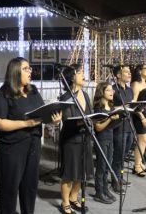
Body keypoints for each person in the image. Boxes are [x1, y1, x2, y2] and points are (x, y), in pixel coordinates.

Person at [0, 57, 61, 214]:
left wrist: (53, 121)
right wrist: (25, 124)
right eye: (26, 69)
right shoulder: (4, 93)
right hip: (11, 148)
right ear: (15, 72)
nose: (30, 71)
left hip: (33, 145)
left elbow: (43, 114)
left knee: (29, 187)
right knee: (9, 189)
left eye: (30, 68)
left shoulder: (33, 90)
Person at [59, 63, 94, 214]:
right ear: (72, 78)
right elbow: (66, 119)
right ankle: (65, 201)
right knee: (69, 173)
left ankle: (74, 197)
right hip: (71, 139)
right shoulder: (66, 97)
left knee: (82, 171)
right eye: (80, 73)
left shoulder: (85, 94)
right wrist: (83, 120)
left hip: (85, 138)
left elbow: (90, 113)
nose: (83, 75)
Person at [93, 82, 120, 204]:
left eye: (112, 90)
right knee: (101, 166)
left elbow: (112, 126)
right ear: (102, 92)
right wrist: (110, 119)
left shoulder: (111, 106)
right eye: (108, 90)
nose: (112, 92)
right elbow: (98, 127)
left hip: (110, 138)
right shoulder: (98, 107)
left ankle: (105, 189)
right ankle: (99, 192)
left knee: (108, 166)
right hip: (101, 139)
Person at [111, 65, 134, 194]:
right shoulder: (113, 89)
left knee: (124, 155)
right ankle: (115, 181)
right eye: (126, 72)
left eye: (129, 72)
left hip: (130, 126)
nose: (129, 74)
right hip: (118, 126)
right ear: (118, 75)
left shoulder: (130, 90)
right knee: (118, 155)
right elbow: (110, 107)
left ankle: (119, 176)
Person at [131, 64, 146, 177]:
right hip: (140, 112)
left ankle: (140, 163)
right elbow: (133, 103)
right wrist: (141, 116)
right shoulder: (136, 84)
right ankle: (136, 166)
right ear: (139, 71)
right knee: (142, 139)